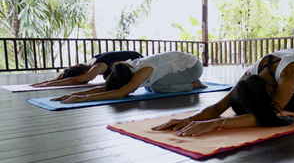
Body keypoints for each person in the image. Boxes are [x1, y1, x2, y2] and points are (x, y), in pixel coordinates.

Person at [153, 48, 294, 136]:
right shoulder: (250, 76)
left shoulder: (290, 74)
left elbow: (270, 113)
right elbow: (221, 105)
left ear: (270, 91)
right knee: (291, 105)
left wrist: (216, 124)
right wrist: (190, 120)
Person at [52, 51, 207, 103]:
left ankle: (194, 84)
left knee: (157, 87)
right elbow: (109, 87)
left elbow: (120, 92)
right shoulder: (125, 67)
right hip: (175, 66)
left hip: (192, 68)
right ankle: (187, 82)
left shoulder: (143, 71)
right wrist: (73, 94)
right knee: (150, 86)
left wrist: (81, 99)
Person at [32, 50, 143, 87]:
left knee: (112, 80)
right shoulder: (91, 62)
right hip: (129, 59)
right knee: (108, 78)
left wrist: (47, 85)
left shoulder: (98, 66)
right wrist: (52, 81)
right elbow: (74, 76)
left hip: (138, 62)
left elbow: (78, 79)